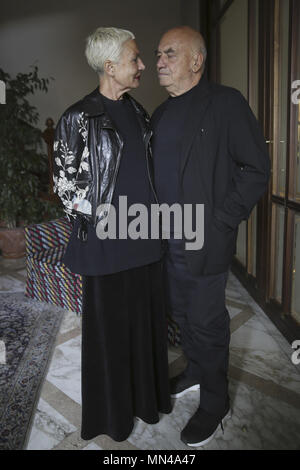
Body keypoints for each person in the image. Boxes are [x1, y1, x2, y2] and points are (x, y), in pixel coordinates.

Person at [151, 26, 270, 447]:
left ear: (196, 61)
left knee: (207, 321)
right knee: (182, 317)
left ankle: (215, 400)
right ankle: (197, 372)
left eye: (169, 54)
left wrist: (222, 221)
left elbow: (256, 169)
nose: (159, 62)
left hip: (204, 239)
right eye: (158, 55)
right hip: (164, 241)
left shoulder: (225, 103)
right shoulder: (161, 113)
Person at [52, 26, 172, 442]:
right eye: (135, 59)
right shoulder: (78, 116)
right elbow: (66, 188)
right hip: (108, 246)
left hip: (147, 239)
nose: (142, 66)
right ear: (110, 65)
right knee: (111, 336)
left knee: (145, 328)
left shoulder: (138, 110)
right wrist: (108, 220)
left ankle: (147, 403)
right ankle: (115, 417)